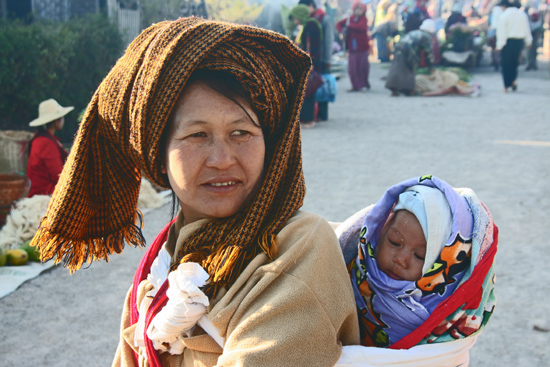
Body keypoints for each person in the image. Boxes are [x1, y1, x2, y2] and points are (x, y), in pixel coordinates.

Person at [30, 18, 359, 366]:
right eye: (197, 135)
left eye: (241, 133)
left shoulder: (298, 248)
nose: (222, 159)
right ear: (158, 153)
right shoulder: (159, 267)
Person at [334, 175, 497, 364]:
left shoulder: (450, 309)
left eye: (420, 256)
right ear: (381, 231)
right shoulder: (354, 266)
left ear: (443, 264)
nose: (401, 259)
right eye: (394, 242)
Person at [26, 98, 72, 197]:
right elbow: (59, 175)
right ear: (56, 121)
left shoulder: (44, 138)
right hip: (44, 191)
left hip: (43, 188)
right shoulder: (46, 143)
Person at [299, 0, 335, 122]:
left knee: (321, 84)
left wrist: (328, 59)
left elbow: (328, 40)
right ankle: (316, 113)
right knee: (315, 85)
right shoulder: (309, 20)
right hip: (315, 58)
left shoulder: (323, 18)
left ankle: (322, 114)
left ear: (311, 6)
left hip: (322, 58)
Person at [290, 4, 323, 128]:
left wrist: (311, 63)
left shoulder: (310, 25)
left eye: (295, 17)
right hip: (307, 63)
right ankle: (305, 118)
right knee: (305, 91)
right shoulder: (306, 25)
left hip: (310, 63)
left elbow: (311, 46)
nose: (294, 20)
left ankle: (309, 119)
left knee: (308, 92)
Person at [385, 19, 436, 96]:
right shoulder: (426, 36)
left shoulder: (415, 32)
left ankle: (394, 89)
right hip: (408, 52)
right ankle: (409, 90)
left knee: (396, 69)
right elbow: (428, 53)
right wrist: (431, 66)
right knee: (409, 70)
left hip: (398, 49)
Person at [496, 0, 532, 92]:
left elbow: (501, 32)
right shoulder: (522, 15)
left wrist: (499, 45)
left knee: (506, 64)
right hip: (519, 42)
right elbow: (527, 29)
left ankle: (506, 86)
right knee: (515, 63)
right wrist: (529, 42)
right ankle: (513, 80)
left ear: (504, 6)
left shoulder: (504, 16)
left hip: (508, 42)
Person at [336, 1, 371, 92]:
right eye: (357, 9)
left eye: (360, 9)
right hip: (352, 47)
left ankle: (363, 84)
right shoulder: (350, 19)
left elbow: (361, 27)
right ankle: (355, 85)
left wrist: (349, 26)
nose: (358, 11)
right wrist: (342, 31)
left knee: (362, 67)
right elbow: (338, 24)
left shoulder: (364, 19)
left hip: (362, 47)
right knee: (352, 68)